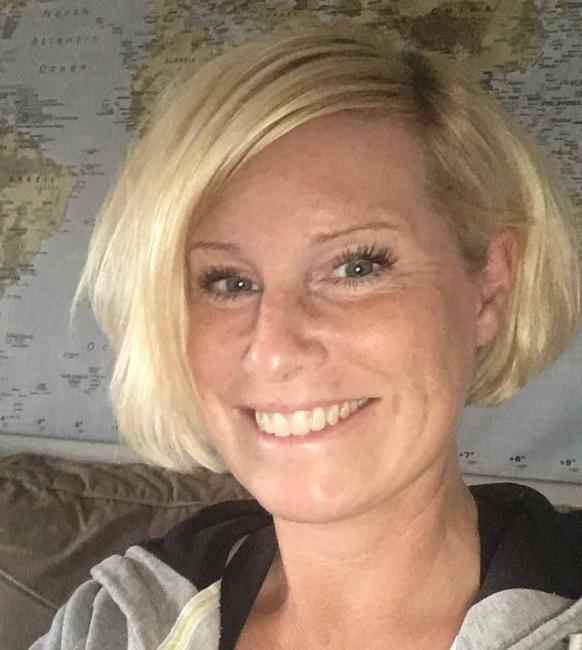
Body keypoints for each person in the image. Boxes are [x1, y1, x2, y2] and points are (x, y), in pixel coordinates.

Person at [31, 25, 581, 650]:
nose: (273, 348)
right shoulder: (112, 622)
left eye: (357, 267)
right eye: (229, 281)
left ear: (489, 288)